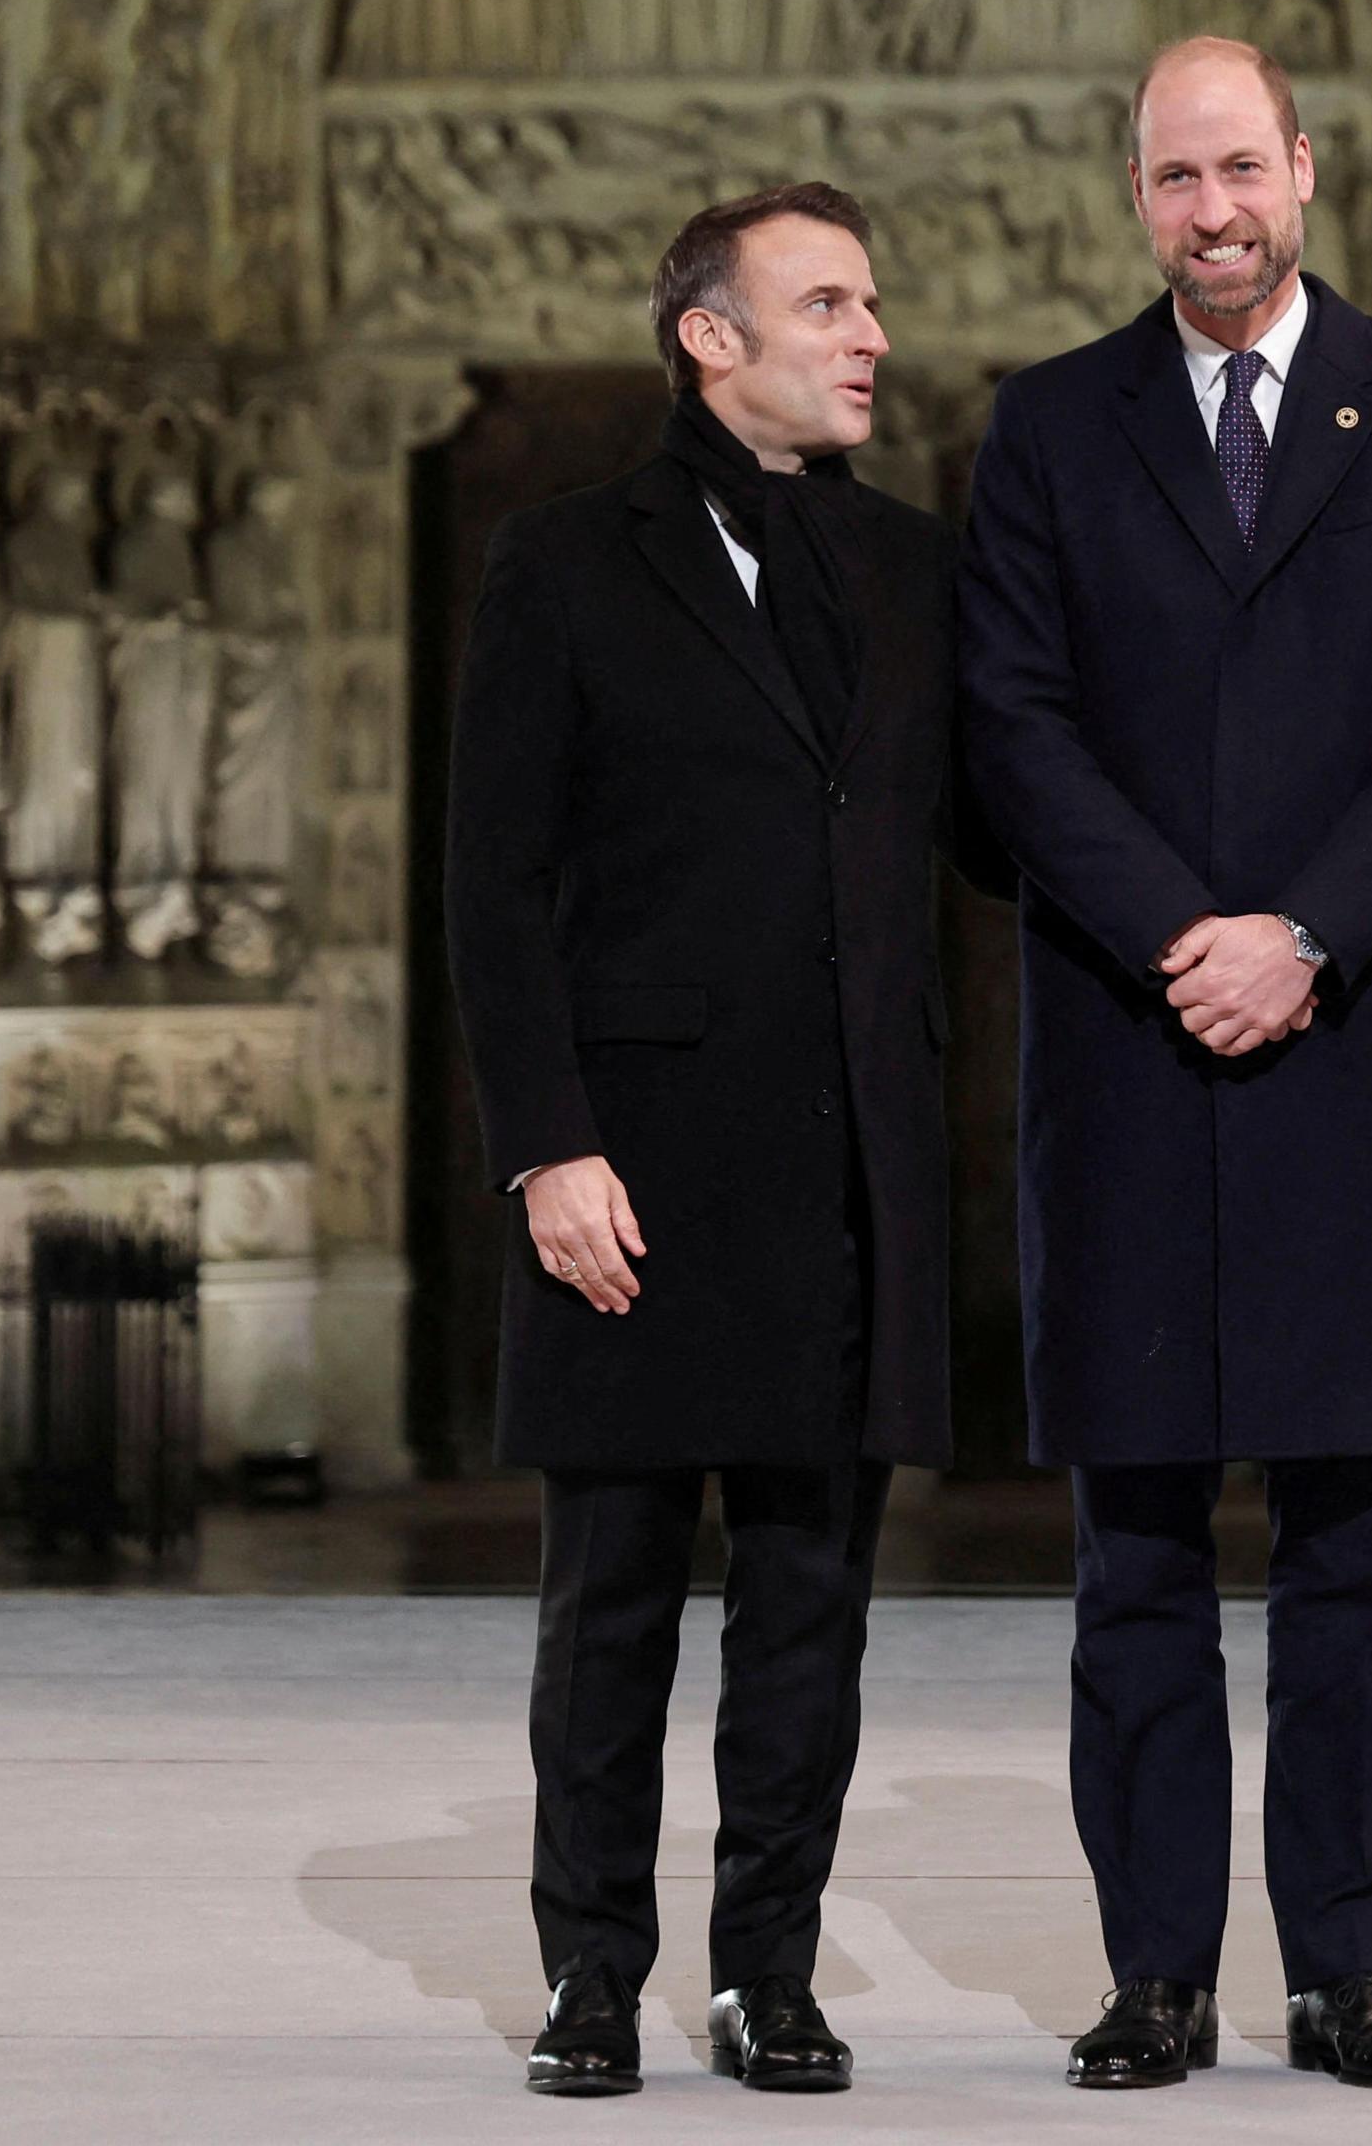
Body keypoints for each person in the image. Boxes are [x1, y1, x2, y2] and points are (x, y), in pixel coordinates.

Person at [958, 34, 1372, 2095]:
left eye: (1241, 167)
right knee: (1134, 1552)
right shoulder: (1046, 427)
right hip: (1131, 1038)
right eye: (1174, 177)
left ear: (1304, 165)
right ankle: (1159, 1974)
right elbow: (1011, 719)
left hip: (1357, 1038)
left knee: (1355, 1548)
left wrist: (1303, 934)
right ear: (1137, 194)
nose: (1213, 208)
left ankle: (1351, 1971)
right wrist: (1180, 935)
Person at [442, 182, 962, 2100]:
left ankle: (768, 1971)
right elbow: (495, 885)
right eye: (827, 300)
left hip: (845, 1169)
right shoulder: (567, 559)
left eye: (873, 298)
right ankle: (591, 1968)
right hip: (636, 1172)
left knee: (811, 1604)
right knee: (614, 1602)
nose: (870, 334)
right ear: (710, 336)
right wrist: (546, 1145)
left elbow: (994, 820)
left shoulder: (917, 565)